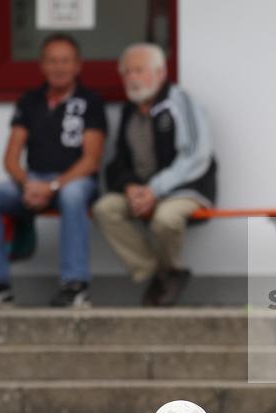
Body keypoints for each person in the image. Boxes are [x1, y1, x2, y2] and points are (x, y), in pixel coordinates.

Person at [0, 33, 106, 307]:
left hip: (75, 181)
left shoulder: (90, 102)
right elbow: (10, 158)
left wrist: (53, 186)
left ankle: (74, 286)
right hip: (33, 181)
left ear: (78, 65)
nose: (59, 67)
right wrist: (27, 184)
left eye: (65, 61)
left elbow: (91, 159)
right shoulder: (30, 101)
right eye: (52, 61)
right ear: (42, 65)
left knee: (72, 196)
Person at [93, 43, 216, 306]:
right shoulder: (130, 110)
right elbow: (118, 161)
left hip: (186, 188)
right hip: (143, 190)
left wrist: (154, 189)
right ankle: (157, 273)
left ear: (160, 73)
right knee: (105, 209)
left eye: (139, 70)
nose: (132, 78)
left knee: (165, 219)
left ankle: (169, 272)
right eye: (127, 73)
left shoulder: (180, 101)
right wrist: (129, 187)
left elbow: (196, 155)